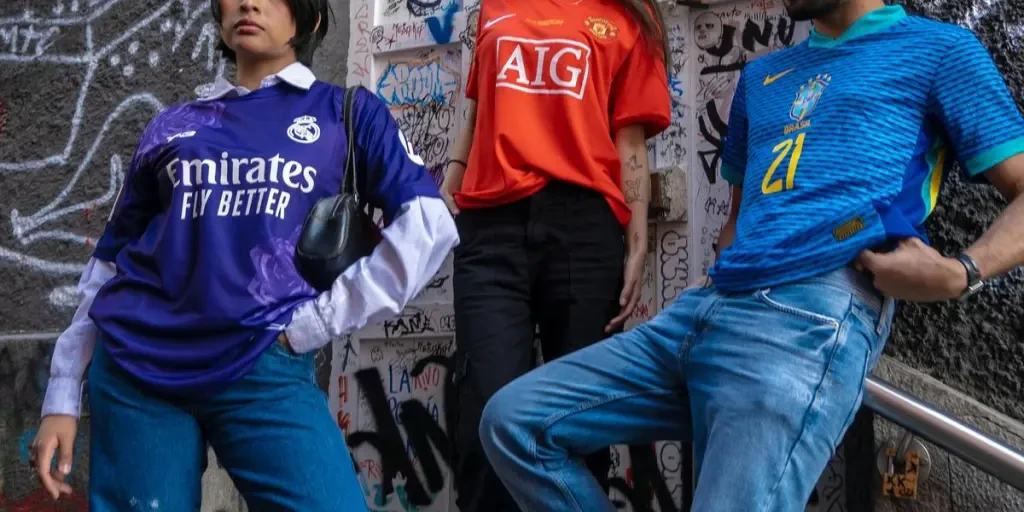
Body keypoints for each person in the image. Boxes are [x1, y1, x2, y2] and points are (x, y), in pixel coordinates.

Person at [477, 0, 1024, 509]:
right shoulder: (761, 78)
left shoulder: (941, 51)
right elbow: (739, 218)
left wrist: (961, 272)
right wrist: (714, 276)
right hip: (708, 307)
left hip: (813, 309)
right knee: (512, 422)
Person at [29, 0, 458, 509]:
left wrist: (317, 323)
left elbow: (428, 227)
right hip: (136, 370)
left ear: (310, 19)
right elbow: (109, 261)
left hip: (265, 366)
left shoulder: (344, 112)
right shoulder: (173, 125)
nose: (249, 3)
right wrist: (62, 394)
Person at [439, 0, 672, 510]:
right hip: (491, 228)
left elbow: (629, 144)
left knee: (576, 425)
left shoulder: (629, 17)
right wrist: (448, 189)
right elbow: (477, 114)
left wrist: (637, 243)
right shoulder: (495, 7)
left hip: (585, 230)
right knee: (485, 415)